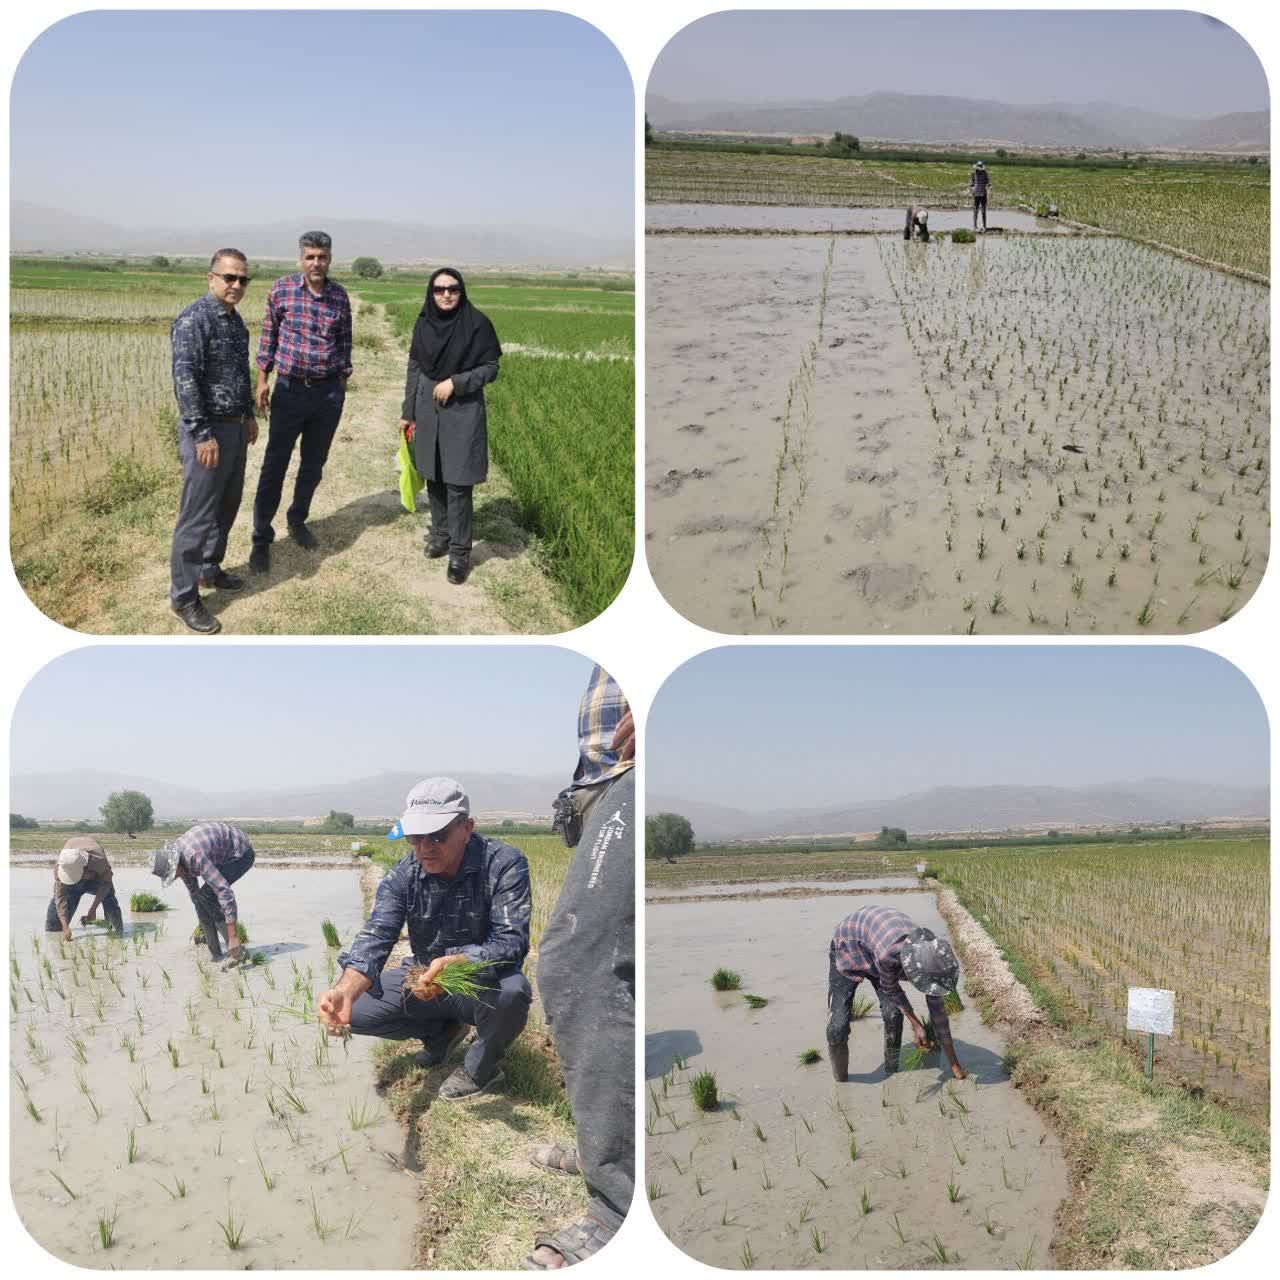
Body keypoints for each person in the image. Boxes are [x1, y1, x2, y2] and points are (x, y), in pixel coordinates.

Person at [318, 778, 532, 1101]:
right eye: (415, 837)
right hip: (422, 980)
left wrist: (459, 962)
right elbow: (377, 935)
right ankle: (442, 1032)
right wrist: (345, 991)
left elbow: (511, 942)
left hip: (479, 982)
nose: (425, 847)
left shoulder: (503, 864)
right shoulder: (404, 874)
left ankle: (481, 1068)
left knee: (513, 993)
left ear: (467, 828)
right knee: (356, 1009)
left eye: (437, 835)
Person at [527, 667, 635, 1269]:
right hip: (604, 778)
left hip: (631, 769)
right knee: (623, 969)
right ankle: (606, 1152)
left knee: (577, 963)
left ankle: (617, 1206)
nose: (423, 848)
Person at [249, 231, 353, 574]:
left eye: (322, 257)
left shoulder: (339, 296)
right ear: (300, 259)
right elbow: (268, 338)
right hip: (290, 391)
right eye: (310, 257)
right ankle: (261, 537)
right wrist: (262, 381)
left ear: (330, 259)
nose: (316, 263)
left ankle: (297, 520)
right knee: (274, 464)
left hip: (327, 395)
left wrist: (340, 384)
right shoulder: (281, 290)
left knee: (313, 464)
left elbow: (344, 344)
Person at [168, 248, 258, 635]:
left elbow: (240, 374)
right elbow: (185, 382)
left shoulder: (236, 323)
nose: (236, 284)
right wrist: (201, 434)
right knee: (197, 515)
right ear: (211, 278)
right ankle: (184, 597)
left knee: (227, 503)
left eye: (243, 279)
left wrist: (249, 415)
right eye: (229, 277)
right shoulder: (194, 320)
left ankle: (209, 568)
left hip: (235, 427)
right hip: (208, 431)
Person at [398, 267, 501, 585]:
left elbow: (491, 367)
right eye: (439, 289)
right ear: (431, 292)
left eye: (453, 289)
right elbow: (415, 367)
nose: (446, 294)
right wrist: (408, 411)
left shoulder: (477, 323)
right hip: (427, 409)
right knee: (434, 475)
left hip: (462, 409)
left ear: (461, 291)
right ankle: (441, 535)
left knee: (458, 482)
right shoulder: (423, 323)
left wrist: (456, 382)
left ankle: (459, 552)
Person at [826, 904, 966, 1082]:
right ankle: (841, 1082)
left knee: (893, 1014)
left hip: (876, 946)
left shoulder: (933, 957)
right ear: (914, 969)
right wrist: (916, 1024)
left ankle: (891, 1072)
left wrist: (954, 1064)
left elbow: (938, 1013)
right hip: (849, 947)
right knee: (837, 1028)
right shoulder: (889, 955)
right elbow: (891, 989)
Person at [150, 822, 255, 967]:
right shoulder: (181, 864)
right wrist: (205, 927)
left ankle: (236, 952)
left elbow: (224, 891)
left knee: (208, 895)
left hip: (241, 854)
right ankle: (216, 955)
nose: (176, 877)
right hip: (219, 854)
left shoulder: (195, 856)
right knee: (201, 899)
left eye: (174, 874)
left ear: (176, 863)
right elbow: (196, 898)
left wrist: (233, 936)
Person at [45, 838, 124, 938]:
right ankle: (54, 933)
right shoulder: (60, 867)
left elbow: (106, 883)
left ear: (84, 867)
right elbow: (60, 898)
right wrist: (65, 927)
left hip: (95, 879)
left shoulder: (98, 860)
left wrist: (93, 909)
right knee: (54, 928)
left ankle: (117, 932)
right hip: (73, 885)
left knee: (109, 896)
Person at [969, 161, 991, 232]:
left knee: (983, 211)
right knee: (975, 211)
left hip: (983, 194)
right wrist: (971, 189)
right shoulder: (973, 173)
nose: (979, 170)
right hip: (976, 194)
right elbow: (971, 183)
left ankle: (984, 226)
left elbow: (988, 182)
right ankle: (975, 226)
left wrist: (990, 188)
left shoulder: (985, 173)